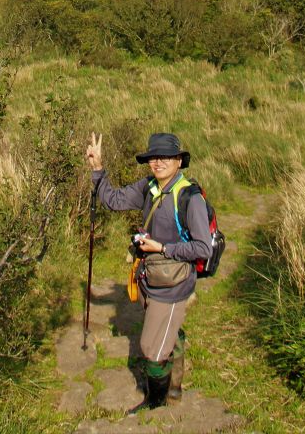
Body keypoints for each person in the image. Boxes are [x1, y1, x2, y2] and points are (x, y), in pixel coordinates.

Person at [86, 130, 212, 410]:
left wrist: (162, 248)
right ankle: (174, 386)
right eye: (154, 157)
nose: (158, 162)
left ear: (179, 161)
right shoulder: (149, 187)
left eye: (166, 156)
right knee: (166, 332)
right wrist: (97, 168)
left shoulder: (190, 198)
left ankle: (156, 401)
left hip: (173, 284)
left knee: (151, 348)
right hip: (149, 277)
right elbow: (114, 200)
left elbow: (204, 248)